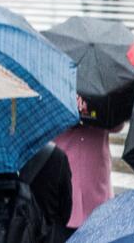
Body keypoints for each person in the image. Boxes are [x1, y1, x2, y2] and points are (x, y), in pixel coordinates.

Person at [55, 96, 123, 239]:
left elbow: (116, 124)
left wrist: (93, 113)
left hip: (94, 175)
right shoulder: (55, 84)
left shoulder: (99, 85)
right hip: (64, 174)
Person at [22, 143, 73, 243]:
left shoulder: (0, 157)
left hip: (14, 232)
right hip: (49, 234)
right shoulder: (57, 156)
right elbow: (66, 207)